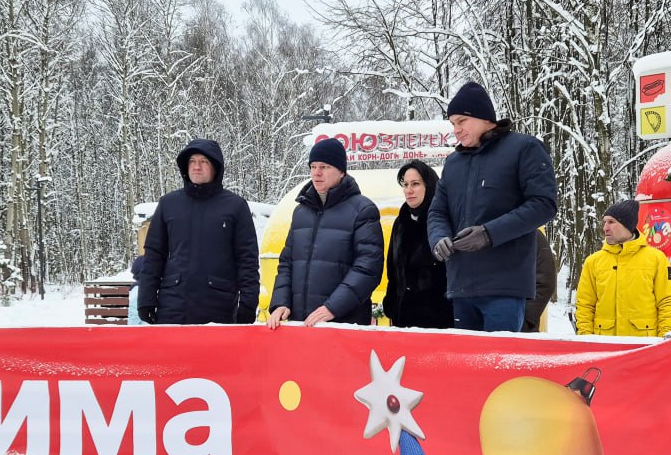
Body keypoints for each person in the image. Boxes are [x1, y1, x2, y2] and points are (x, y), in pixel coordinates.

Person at [428, 81, 557, 332]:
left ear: (483, 117)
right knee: (466, 366)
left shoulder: (524, 148)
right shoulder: (453, 163)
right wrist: (438, 237)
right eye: (452, 124)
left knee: (499, 369)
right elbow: (437, 211)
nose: (456, 130)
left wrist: (489, 233)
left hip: (504, 287)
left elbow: (544, 204)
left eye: (461, 121)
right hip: (461, 285)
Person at [137, 138, 259, 325]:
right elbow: (154, 254)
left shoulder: (235, 206)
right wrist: (146, 299)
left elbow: (247, 260)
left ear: (215, 168)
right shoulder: (168, 204)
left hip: (219, 307)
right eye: (192, 161)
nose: (197, 167)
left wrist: (248, 304)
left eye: (203, 162)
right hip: (172, 306)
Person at [267, 138, 383, 328]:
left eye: (324, 166)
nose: (316, 173)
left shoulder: (362, 210)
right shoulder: (301, 211)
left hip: (343, 323)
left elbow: (368, 267)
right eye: (313, 166)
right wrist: (280, 303)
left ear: (341, 171)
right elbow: (287, 262)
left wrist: (332, 308)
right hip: (302, 323)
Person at [574, 200, 671, 337]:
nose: (605, 227)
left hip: (644, 347)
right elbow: (584, 306)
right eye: (604, 222)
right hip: (604, 347)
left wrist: (663, 341)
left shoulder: (656, 259)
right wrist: (586, 339)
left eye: (611, 222)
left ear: (627, 225)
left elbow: (667, 303)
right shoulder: (593, 262)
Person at [384, 160, 452, 329]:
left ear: (429, 185)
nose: (409, 190)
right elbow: (393, 270)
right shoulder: (401, 221)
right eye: (405, 184)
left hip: (439, 319)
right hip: (403, 318)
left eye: (415, 184)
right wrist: (392, 304)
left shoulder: (444, 220)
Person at [521, 231, 557, 332]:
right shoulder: (477, 234)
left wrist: (527, 319)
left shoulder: (532, 234)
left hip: (521, 325)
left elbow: (545, 281)